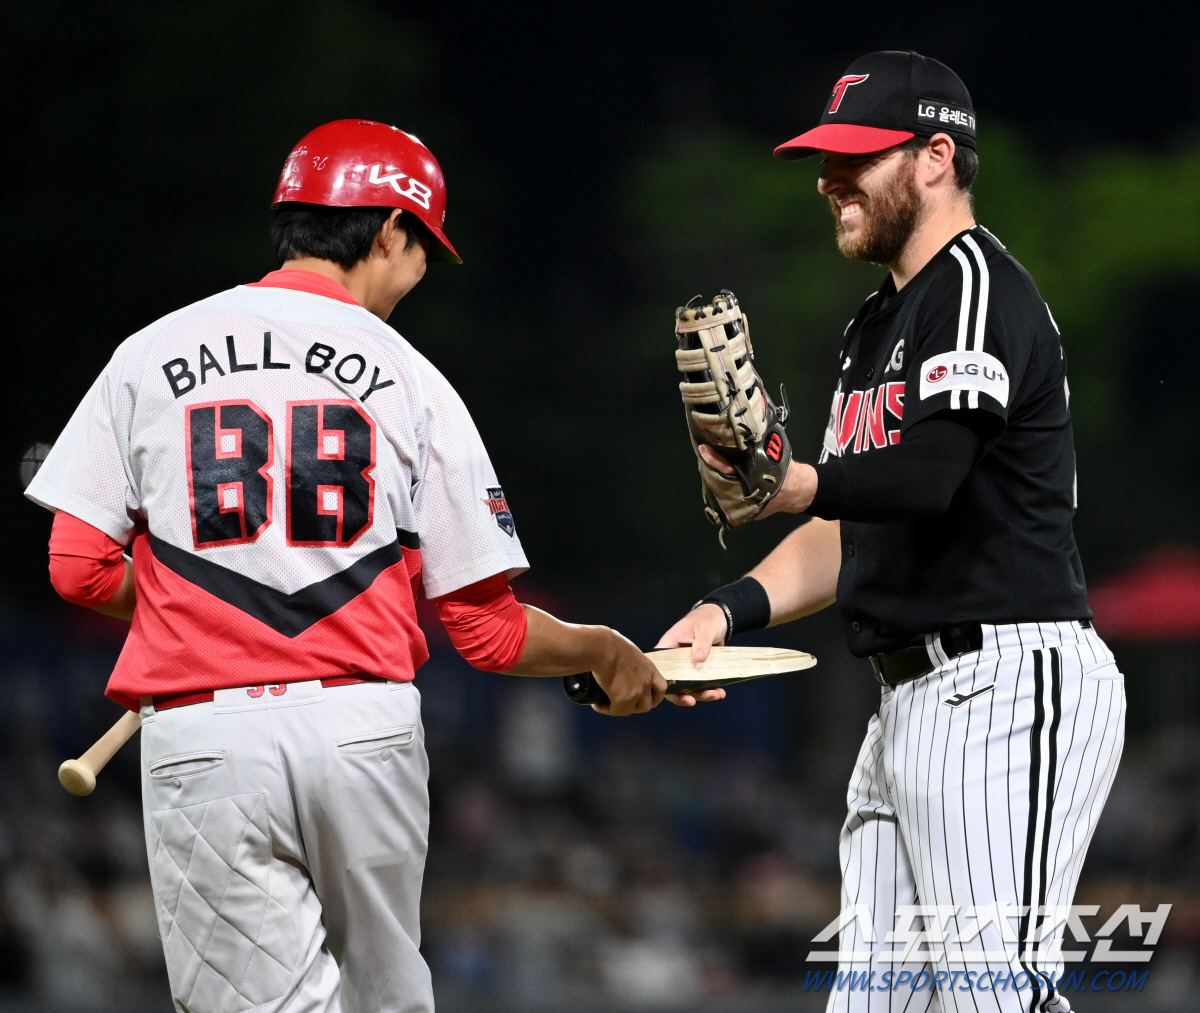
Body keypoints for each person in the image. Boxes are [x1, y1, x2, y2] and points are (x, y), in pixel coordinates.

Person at [26, 119, 665, 1013]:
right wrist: (600, 647)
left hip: (207, 737)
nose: (418, 275)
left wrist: (187, 600)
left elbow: (78, 569)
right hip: (363, 728)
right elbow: (486, 629)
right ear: (390, 230)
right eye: (422, 253)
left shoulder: (148, 352)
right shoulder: (415, 377)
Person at [658, 52, 1123, 1013]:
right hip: (911, 703)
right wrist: (724, 609)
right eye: (823, 159)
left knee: (998, 994)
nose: (829, 181)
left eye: (855, 157)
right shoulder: (872, 328)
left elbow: (929, 475)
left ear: (934, 158)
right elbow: (846, 522)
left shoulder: (976, 285)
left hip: (1004, 683)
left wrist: (793, 479)